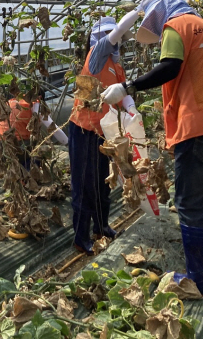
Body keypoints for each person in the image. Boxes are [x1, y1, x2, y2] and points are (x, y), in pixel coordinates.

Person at [101, 0, 203, 297]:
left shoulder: (175, 27)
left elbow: (171, 67)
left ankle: (200, 281)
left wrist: (128, 87)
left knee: (190, 204)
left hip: (201, 125)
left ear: (159, 14)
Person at [69, 13, 138, 254]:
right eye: (114, 38)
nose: (117, 43)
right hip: (84, 129)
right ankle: (81, 238)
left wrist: (131, 109)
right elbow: (113, 36)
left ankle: (101, 226)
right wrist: (135, 14)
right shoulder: (96, 57)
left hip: (104, 133)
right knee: (84, 185)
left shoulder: (116, 64)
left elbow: (123, 89)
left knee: (102, 182)